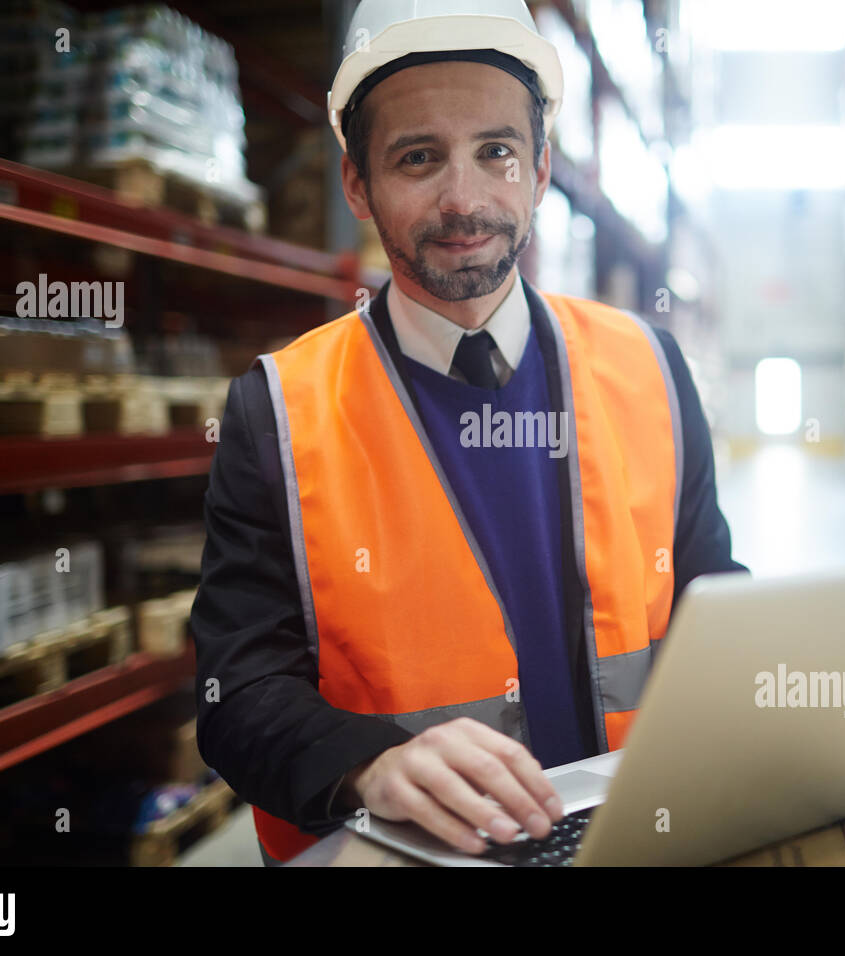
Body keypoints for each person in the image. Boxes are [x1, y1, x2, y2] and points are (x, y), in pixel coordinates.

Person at [189, 0, 748, 867]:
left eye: (497, 152)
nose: (464, 199)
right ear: (356, 183)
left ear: (540, 167)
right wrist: (372, 764)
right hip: (409, 857)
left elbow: (713, 600)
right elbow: (238, 692)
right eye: (418, 158)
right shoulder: (278, 411)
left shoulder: (650, 368)